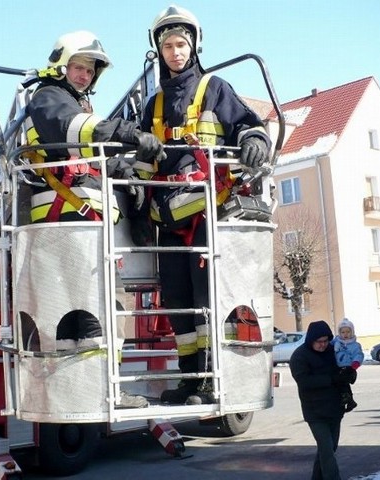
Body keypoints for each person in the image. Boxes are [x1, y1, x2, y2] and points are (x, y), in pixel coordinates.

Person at [137, 5, 272, 405]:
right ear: (158, 52)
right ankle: (191, 378)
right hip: (166, 217)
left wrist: (255, 142)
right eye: (168, 46)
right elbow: (142, 164)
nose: (176, 52)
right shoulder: (152, 105)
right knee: (177, 300)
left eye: (182, 44)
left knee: (206, 297)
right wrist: (140, 208)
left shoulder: (215, 88)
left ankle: (215, 378)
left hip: (206, 212)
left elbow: (250, 125)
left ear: (194, 46)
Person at [25, 31, 164, 408]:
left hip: (81, 225)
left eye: (90, 70)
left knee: (92, 315)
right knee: (102, 309)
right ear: (61, 65)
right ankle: (105, 392)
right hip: (68, 221)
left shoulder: (72, 103)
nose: (85, 75)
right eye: (78, 67)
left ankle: (86, 391)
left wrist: (129, 173)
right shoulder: (50, 98)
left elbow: (92, 158)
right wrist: (128, 132)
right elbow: (81, 133)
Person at [290, 320, 356, 480]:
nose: (323, 345)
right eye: (319, 342)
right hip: (315, 412)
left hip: (335, 408)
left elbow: (344, 369)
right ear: (311, 340)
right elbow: (304, 381)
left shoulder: (333, 351)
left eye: (326, 341)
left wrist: (350, 375)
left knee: (329, 449)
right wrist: (331, 379)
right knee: (326, 451)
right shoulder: (299, 356)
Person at [331, 318, 363, 412]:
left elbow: (358, 354)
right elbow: (329, 346)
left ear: (352, 332)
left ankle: (347, 398)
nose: (345, 334)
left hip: (349, 367)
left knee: (342, 382)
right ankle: (350, 400)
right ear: (339, 333)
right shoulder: (336, 342)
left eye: (348, 332)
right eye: (343, 332)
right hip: (338, 367)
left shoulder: (355, 345)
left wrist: (356, 362)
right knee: (342, 383)